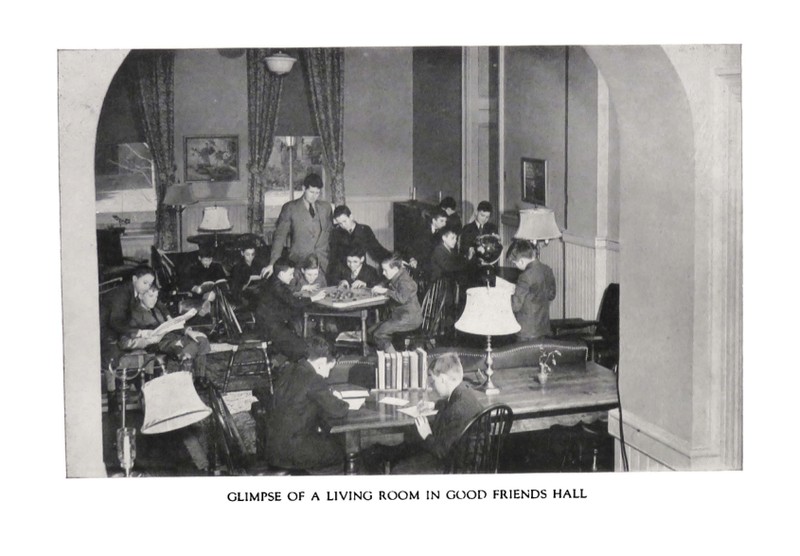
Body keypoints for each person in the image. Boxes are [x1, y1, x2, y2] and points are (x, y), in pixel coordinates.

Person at [368, 353, 483, 474]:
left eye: (434, 381)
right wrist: (433, 405)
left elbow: (440, 451)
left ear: (443, 379)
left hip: (456, 467)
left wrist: (427, 434)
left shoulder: (456, 410)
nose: (432, 387)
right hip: (467, 457)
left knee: (399, 470)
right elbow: (450, 403)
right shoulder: (465, 392)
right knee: (409, 445)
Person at [263, 335, 349, 474]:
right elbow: (339, 410)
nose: (327, 375)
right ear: (321, 362)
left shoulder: (290, 368)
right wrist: (340, 399)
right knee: (345, 449)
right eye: (329, 368)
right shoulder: (314, 379)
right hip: (292, 452)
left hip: (275, 448)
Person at [119, 283, 210, 378]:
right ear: (141, 296)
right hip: (158, 343)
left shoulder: (157, 309)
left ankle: (200, 379)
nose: (154, 299)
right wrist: (147, 336)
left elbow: (172, 325)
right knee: (186, 347)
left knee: (201, 339)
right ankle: (181, 379)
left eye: (156, 296)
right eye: (151, 296)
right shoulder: (134, 314)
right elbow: (129, 336)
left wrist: (188, 331)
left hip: (172, 336)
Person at [255, 257, 324, 362]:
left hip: (268, 323)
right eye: (291, 274)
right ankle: (292, 369)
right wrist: (314, 298)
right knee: (303, 349)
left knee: (299, 338)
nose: (292, 277)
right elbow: (293, 302)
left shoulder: (273, 280)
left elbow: (288, 298)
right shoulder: (278, 286)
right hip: (270, 328)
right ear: (282, 274)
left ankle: (283, 363)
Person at [264, 173, 333, 277]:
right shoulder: (290, 208)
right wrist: (272, 263)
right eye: (311, 192)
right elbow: (279, 237)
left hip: (323, 263)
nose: (314, 196)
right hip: (299, 262)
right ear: (304, 188)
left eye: (317, 193)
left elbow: (330, 234)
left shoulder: (326, 208)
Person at [369, 254, 423, 353]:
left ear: (394, 269)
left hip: (410, 318)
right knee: (371, 330)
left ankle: (394, 358)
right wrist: (380, 285)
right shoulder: (398, 274)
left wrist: (385, 291)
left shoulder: (404, 281)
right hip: (401, 316)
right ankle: (389, 352)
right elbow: (386, 282)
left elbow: (402, 298)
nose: (383, 273)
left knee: (379, 333)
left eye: (385, 270)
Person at [508, 239, 557, 340]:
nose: (515, 266)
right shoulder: (547, 269)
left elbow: (515, 306)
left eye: (514, 263)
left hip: (526, 331)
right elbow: (552, 295)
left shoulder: (524, 276)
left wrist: (508, 295)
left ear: (521, 261)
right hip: (543, 327)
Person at [329, 204, 391, 279]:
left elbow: (377, 250)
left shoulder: (364, 230)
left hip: (361, 273)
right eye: (340, 223)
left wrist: (393, 259)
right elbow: (334, 258)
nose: (343, 225)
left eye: (344, 221)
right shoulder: (336, 233)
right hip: (343, 274)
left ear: (351, 217)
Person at [180, 245, 228, 316]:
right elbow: (185, 282)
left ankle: (207, 307)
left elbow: (222, 281)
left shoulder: (217, 267)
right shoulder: (193, 268)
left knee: (218, 296)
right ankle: (206, 307)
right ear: (199, 258)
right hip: (199, 295)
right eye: (206, 260)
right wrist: (194, 288)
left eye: (210, 260)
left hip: (216, 293)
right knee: (210, 298)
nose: (208, 262)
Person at [228, 240, 265, 308]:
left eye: (253, 254)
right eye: (247, 254)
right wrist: (250, 279)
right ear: (242, 253)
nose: (250, 257)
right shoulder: (237, 268)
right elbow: (237, 290)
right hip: (243, 296)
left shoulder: (258, 264)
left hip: (259, 291)